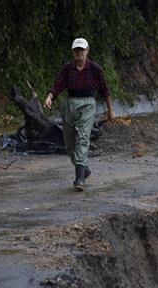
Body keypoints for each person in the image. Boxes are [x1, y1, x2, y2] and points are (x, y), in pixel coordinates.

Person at [44, 37, 116, 192]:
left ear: (87, 50)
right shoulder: (67, 68)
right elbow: (58, 85)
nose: (79, 53)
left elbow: (105, 91)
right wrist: (50, 97)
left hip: (88, 104)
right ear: (72, 52)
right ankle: (84, 169)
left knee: (83, 138)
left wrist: (111, 111)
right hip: (70, 104)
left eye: (81, 50)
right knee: (69, 144)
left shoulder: (95, 69)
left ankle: (79, 179)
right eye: (76, 50)